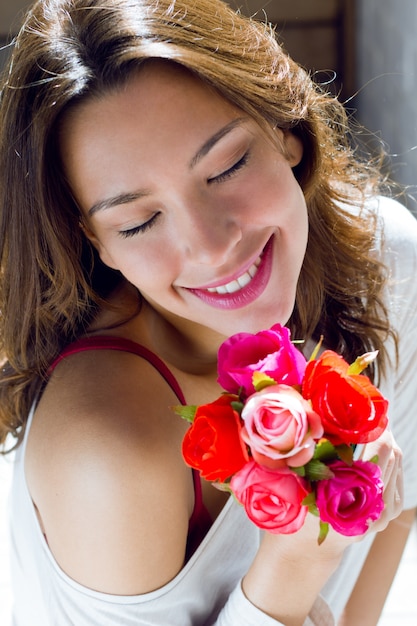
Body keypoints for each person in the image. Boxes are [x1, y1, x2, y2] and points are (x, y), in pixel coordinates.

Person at [0, 0, 416, 624]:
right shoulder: (108, 452)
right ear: (97, 242)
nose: (211, 246)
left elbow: (395, 516)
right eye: (140, 221)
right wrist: (290, 572)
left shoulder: (389, 268)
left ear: (283, 125)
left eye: (226, 167)